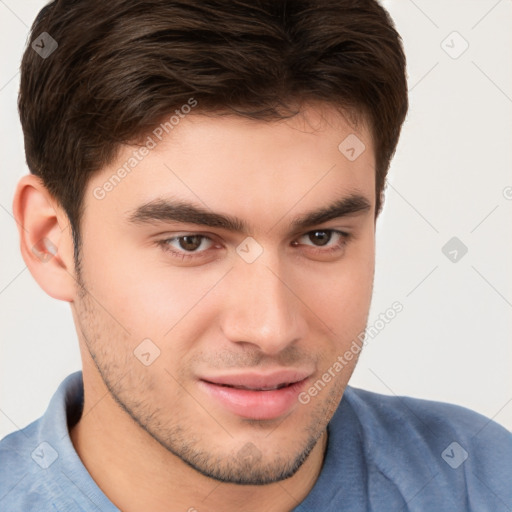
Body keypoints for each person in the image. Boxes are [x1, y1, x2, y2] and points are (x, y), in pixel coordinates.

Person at [1, 0, 511, 510]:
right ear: (51, 243)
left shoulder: (484, 480)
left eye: (320, 237)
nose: (271, 328)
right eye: (191, 242)